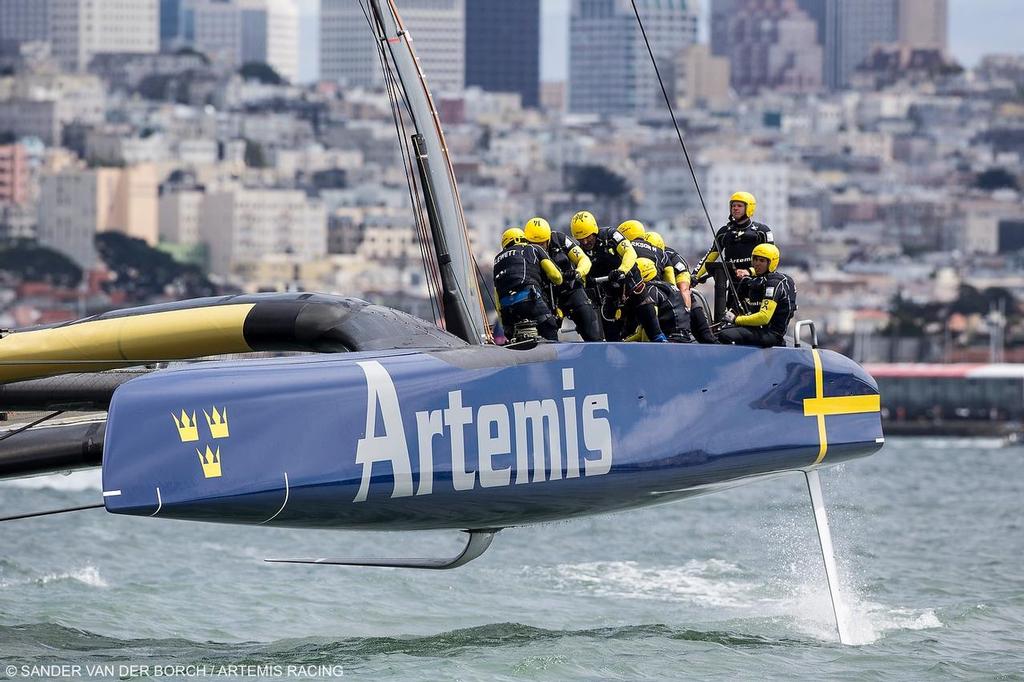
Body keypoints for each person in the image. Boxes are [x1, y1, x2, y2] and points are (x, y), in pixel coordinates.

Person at [571, 211, 655, 341]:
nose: (586, 241)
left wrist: (621, 270)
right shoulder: (578, 250)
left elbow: (630, 252)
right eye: (581, 240)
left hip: (629, 286)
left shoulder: (610, 235)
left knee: (644, 305)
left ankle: (658, 337)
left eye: (588, 237)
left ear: (594, 231)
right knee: (610, 332)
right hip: (609, 296)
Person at [692, 191, 774, 322]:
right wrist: (694, 276)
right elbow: (710, 256)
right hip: (732, 286)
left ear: (749, 208)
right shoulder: (724, 232)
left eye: (739, 206)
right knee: (728, 320)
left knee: (751, 319)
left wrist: (749, 271)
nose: (735, 208)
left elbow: (773, 261)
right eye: (733, 205)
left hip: (756, 285)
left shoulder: (762, 231)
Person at [523, 216, 602, 342]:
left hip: (570, 290)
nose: (539, 247)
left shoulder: (560, 239)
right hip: (546, 297)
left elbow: (583, 259)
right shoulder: (523, 251)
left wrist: (577, 272)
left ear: (548, 238)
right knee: (547, 335)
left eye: (542, 243)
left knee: (589, 325)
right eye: (535, 244)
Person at [718, 243, 796, 348]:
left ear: (771, 263)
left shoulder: (774, 283)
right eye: (755, 259)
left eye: (762, 261)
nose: (757, 264)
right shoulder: (754, 281)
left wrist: (736, 320)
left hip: (771, 334)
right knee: (719, 332)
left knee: (725, 335)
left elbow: (764, 317)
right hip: (756, 329)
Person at [493, 226, 563, 343]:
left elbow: (497, 297)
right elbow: (556, 276)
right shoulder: (533, 248)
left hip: (507, 308)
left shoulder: (497, 260)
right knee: (549, 329)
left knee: (513, 341)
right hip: (530, 300)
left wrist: (504, 324)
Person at [646, 231, 717, 344]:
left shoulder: (672, 256)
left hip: (680, 301)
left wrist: (685, 316)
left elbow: (684, 289)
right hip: (657, 300)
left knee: (706, 337)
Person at [622, 259, 691, 342]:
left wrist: (621, 343)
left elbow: (649, 327)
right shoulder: (668, 286)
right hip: (684, 338)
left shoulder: (650, 290)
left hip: (669, 340)